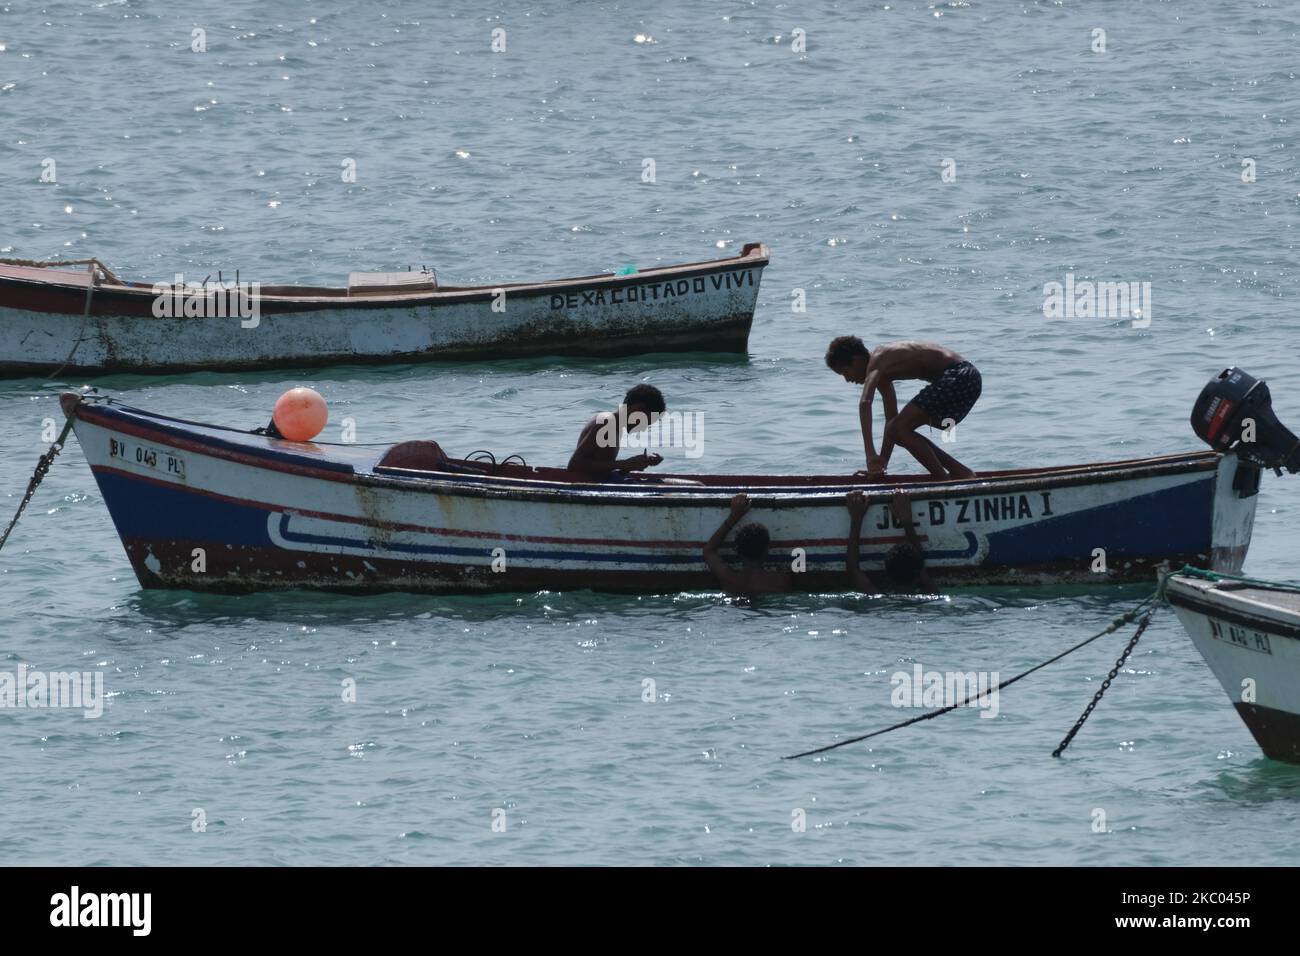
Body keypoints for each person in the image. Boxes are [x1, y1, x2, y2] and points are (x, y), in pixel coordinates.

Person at [825, 336, 980, 479]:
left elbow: (865, 403)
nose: (847, 379)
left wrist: (870, 455)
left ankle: (943, 481)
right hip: (967, 381)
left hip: (960, 375)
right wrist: (882, 464)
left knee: (899, 428)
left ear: (856, 360)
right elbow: (891, 422)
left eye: (846, 372)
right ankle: (961, 472)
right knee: (898, 428)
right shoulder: (883, 376)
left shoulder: (878, 358)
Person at [567, 383, 665, 479]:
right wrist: (624, 464)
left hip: (602, 483)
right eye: (646, 422)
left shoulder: (616, 425)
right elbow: (574, 465)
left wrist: (634, 464)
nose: (643, 428)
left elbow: (603, 470)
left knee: (666, 482)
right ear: (638, 409)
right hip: (588, 486)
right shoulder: (606, 422)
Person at [703, 493, 793, 596]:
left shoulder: (730, 580)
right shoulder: (781, 581)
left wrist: (734, 517)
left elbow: (708, 550)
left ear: (737, 551)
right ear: (766, 551)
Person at [845, 490, 933, 593]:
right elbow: (920, 568)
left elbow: (853, 570)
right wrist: (907, 521)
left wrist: (856, 519)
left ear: (886, 574)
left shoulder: (879, 600)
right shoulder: (932, 593)